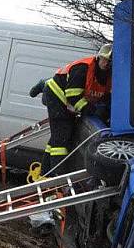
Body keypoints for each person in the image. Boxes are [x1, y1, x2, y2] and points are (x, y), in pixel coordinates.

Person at [41, 43, 113, 173]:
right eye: (105, 60)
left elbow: (104, 96)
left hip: (67, 101)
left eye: (110, 62)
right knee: (62, 136)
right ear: (98, 58)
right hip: (57, 94)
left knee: (59, 135)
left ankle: (46, 172)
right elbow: (72, 94)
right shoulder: (84, 68)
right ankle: (57, 178)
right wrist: (90, 110)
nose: (107, 64)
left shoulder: (108, 76)